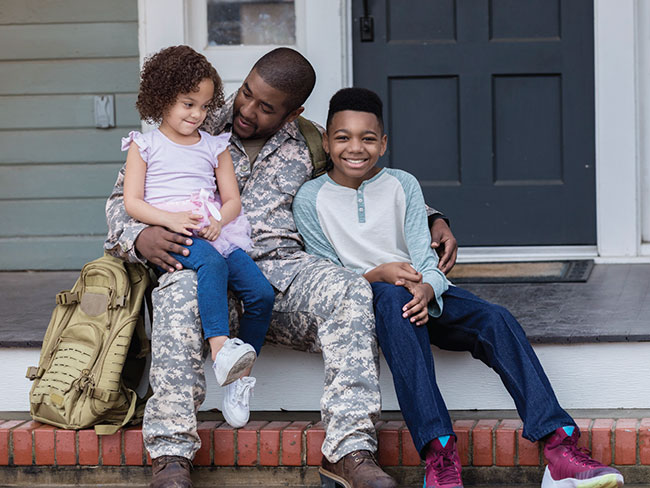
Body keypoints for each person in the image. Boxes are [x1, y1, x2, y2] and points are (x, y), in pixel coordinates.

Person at [105, 47, 457, 488]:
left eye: (266, 107)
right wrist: (139, 237)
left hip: (285, 275)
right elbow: (122, 200)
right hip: (207, 274)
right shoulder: (194, 119)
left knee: (350, 289)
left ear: (292, 113)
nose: (246, 110)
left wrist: (430, 216)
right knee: (176, 296)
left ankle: (349, 450)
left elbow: (364, 174)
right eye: (246, 93)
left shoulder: (311, 142)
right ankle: (171, 456)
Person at [293, 87, 625, 488]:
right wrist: (377, 274)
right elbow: (325, 273)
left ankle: (559, 446)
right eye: (343, 137)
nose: (355, 148)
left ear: (383, 143)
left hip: (423, 294)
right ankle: (440, 456)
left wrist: (430, 288)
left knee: (494, 319)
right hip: (367, 301)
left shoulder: (402, 185)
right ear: (327, 142)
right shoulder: (310, 199)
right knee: (394, 298)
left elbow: (424, 255)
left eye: (367, 138)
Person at [121, 45, 275, 430]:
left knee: (260, 293)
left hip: (212, 232)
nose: (197, 115)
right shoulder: (145, 146)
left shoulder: (214, 146)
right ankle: (220, 348)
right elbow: (133, 203)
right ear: (162, 98)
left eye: (205, 107)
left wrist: (219, 221)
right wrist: (169, 220)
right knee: (209, 263)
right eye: (188, 104)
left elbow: (233, 200)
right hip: (174, 234)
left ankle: (238, 380)